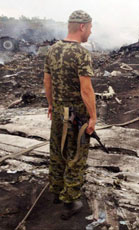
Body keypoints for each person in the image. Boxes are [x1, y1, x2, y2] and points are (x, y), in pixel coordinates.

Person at [43, 10, 96, 220]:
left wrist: (50, 104)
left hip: (57, 111)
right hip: (76, 116)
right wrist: (93, 117)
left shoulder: (52, 50)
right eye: (90, 28)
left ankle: (56, 191)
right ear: (82, 27)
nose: (90, 32)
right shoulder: (82, 53)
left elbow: (47, 81)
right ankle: (71, 200)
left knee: (57, 151)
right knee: (75, 156)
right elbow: (86, 90)